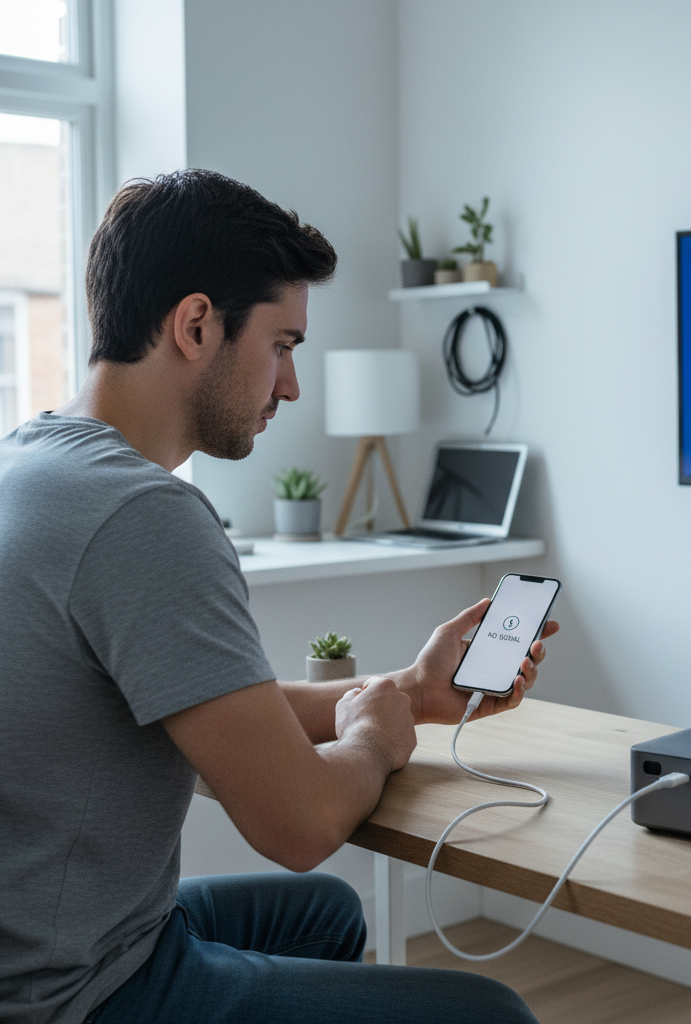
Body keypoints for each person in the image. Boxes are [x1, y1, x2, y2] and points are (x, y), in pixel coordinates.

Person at [0, 170, 557, 1024]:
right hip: (75, 991)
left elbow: (223, 706)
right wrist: (374, 739)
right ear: (196, 325)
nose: (290, 386)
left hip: (58, 935)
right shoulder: (143, 514)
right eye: (283, 345)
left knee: (325, 914)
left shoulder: (32, 461)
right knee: (491, 1014)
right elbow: (300, 825)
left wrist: (411, 690)